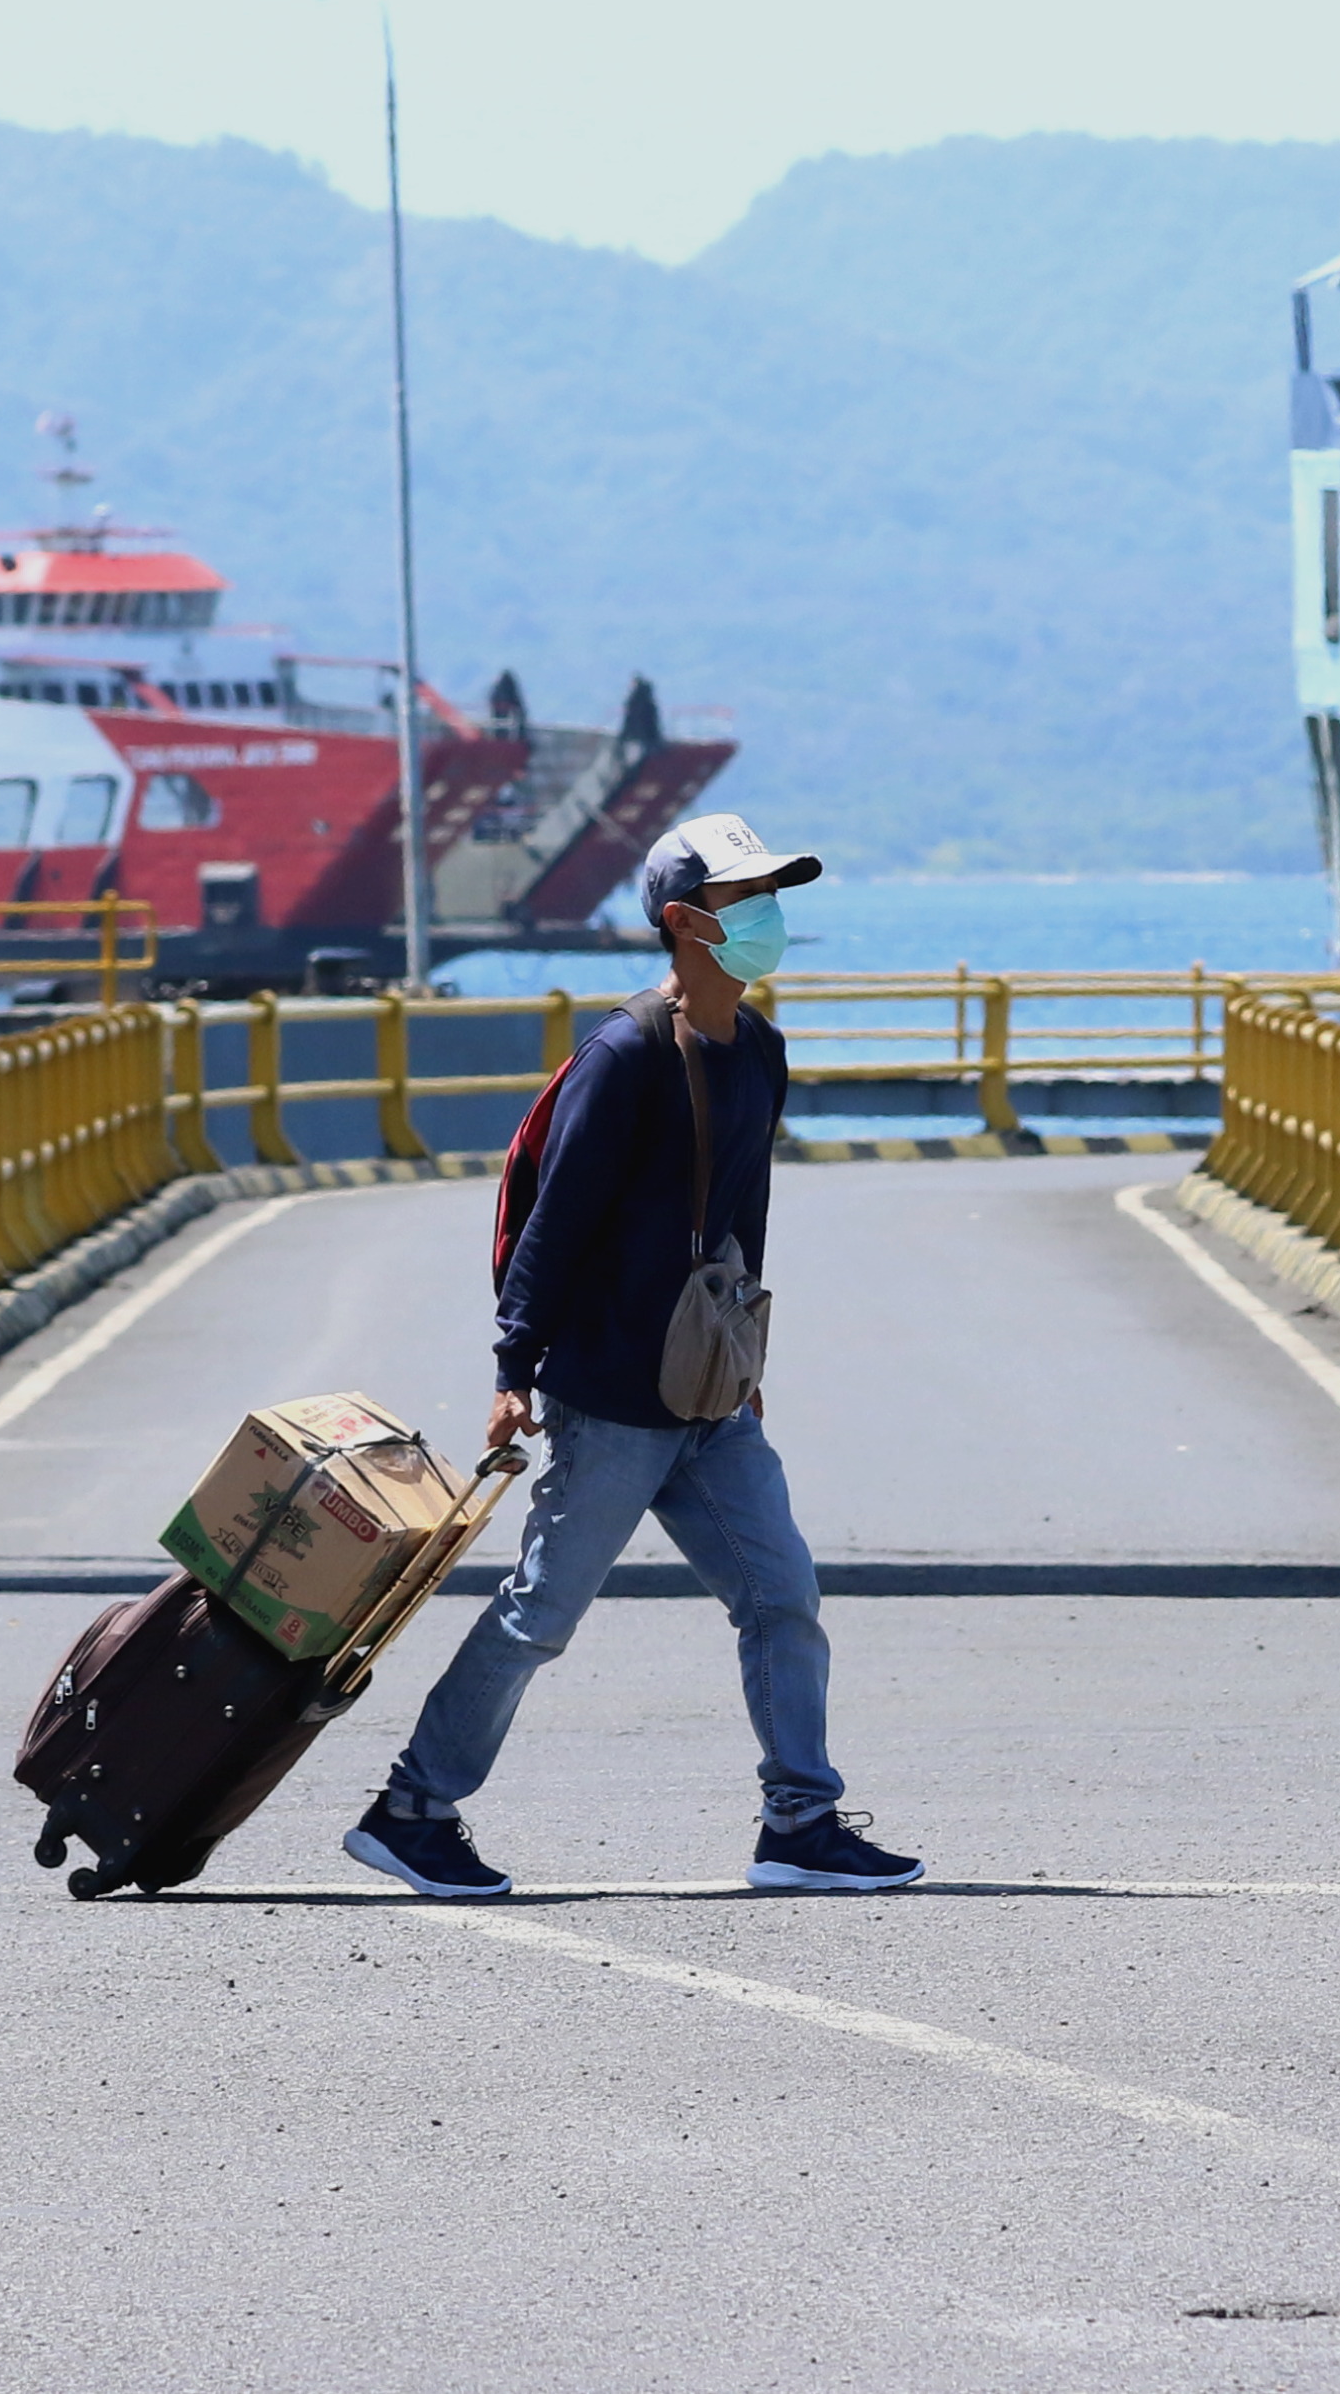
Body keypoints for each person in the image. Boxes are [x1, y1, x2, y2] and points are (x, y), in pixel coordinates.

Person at [341, 813, 924, 1900]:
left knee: (783, 1596)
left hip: (709, 1394)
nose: (767, 917)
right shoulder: (624, 1054)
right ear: (682, 921)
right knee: (541, 1614)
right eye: (744, 898)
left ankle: (798, 1822)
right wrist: (514, 1368)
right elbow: (557, 1219)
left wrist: (740, 1358)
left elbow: (738, 1221)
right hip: (609, 1393)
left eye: (770, 896)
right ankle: (411, 1809)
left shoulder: (757, 1047)